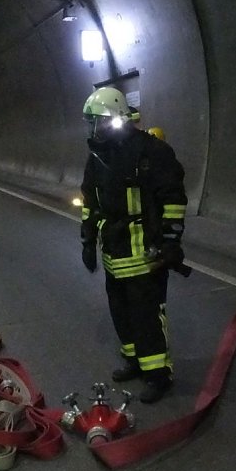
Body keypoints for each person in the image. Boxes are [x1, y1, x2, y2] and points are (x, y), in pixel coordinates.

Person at [80, 87, 188, 404]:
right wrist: (87, 239)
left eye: (99, 122)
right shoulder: (97, 157)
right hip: (114, 254)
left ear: (117, 118)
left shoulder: (152, 152)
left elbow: (173, 199)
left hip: (145, 255)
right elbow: (89, 201)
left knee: (147, 317)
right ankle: (135, 362)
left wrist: (170, 240)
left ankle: (158, 375)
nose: (95, 129)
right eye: (91, 123)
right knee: (121, 313)